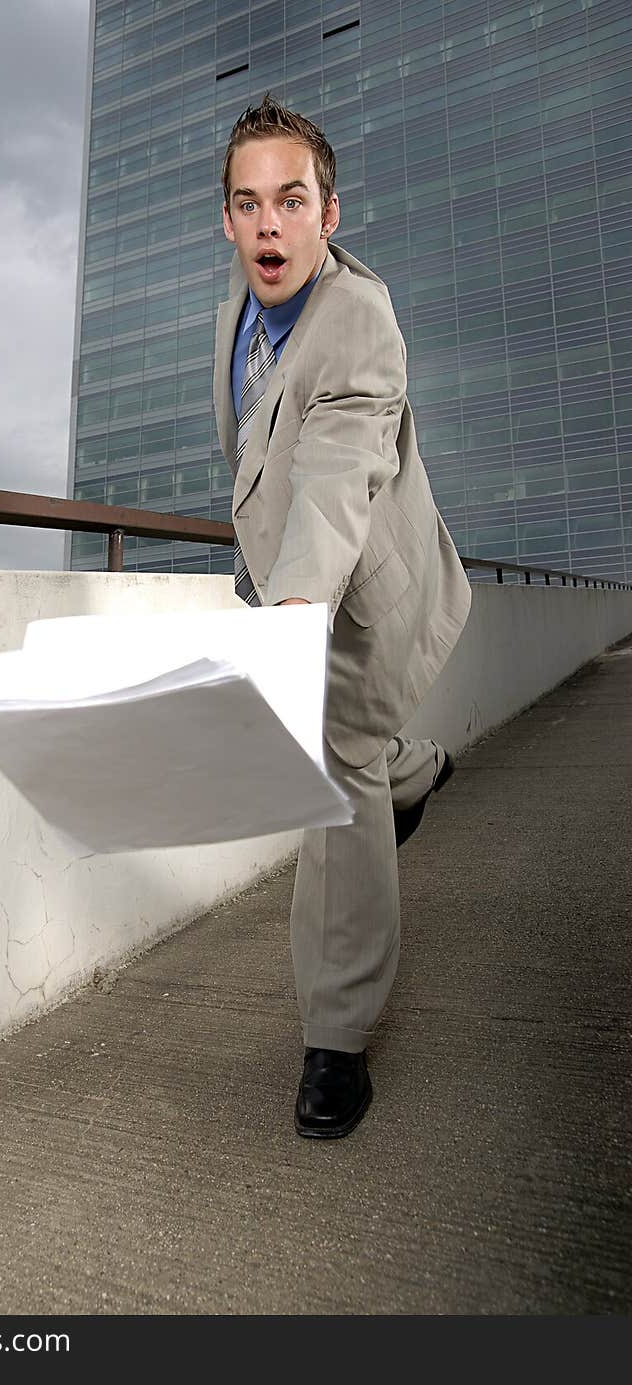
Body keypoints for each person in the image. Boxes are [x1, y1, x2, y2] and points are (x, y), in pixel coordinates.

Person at [213, 95, 471, 1139]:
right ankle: (419, 767)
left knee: (335, 780)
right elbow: (259, 445)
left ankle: (337, 1033)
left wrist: (297, 601)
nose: (268, 226)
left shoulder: (361, 319)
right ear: (226, 220)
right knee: (367, 756)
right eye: (247, 204)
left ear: (329, 210)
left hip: (357, 596)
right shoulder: (235, 296)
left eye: (290, 200)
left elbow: (335, 469)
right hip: (290, 584)